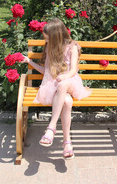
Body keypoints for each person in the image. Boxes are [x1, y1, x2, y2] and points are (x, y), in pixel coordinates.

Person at [21, 18, 91, 160]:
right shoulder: (49, 48)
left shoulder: (72, 47)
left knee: (63, 84)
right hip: (56, 86)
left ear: (56, 36)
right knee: (67, 102)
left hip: (71, 82)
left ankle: (52, 127)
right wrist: (30, 62)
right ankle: (67, 144)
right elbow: (46, 72)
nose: (45, 41)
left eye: (47, 38)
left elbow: (72, 71)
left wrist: (64, 77)